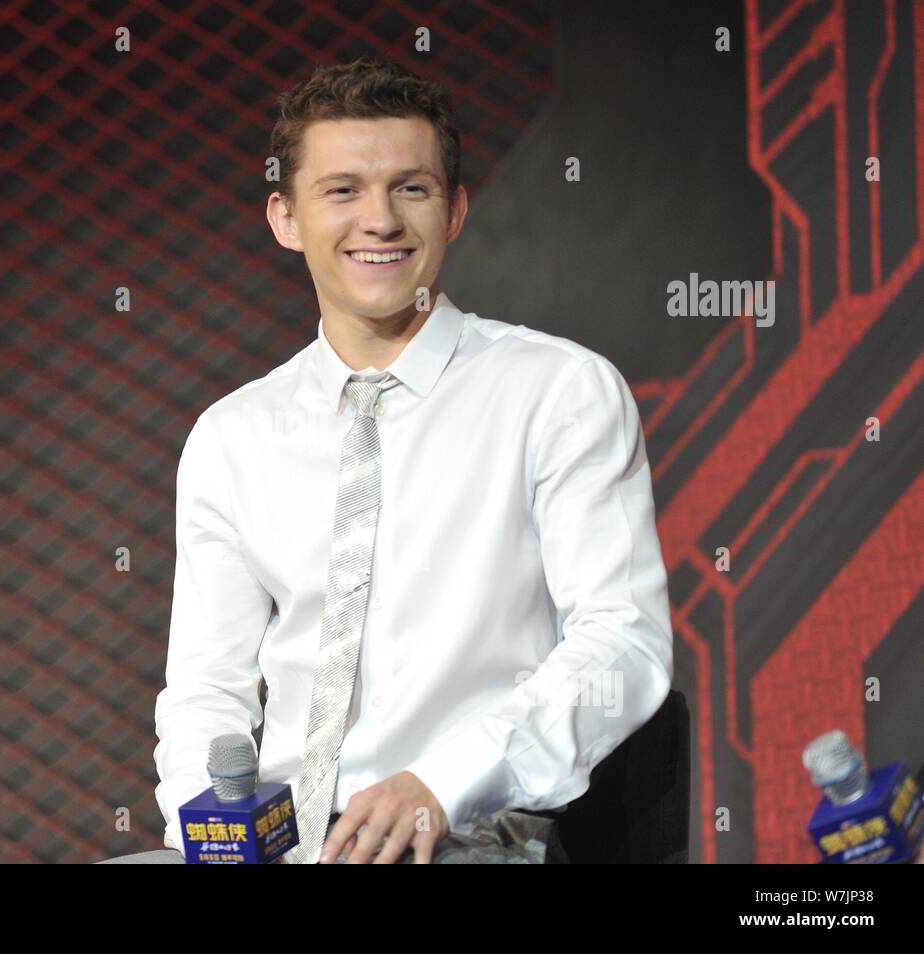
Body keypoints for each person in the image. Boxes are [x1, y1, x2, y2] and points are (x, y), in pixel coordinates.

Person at [97, 57, 673, 864]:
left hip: (472, 833)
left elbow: (623, 641)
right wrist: (213, 834)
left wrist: (440, 782)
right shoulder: (233, 435)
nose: (381, 220)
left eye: (412, 188)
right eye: (342, 191)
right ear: (285, 218)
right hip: (281, 845)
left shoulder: (558, 392)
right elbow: (207, 689)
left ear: (456, 210)